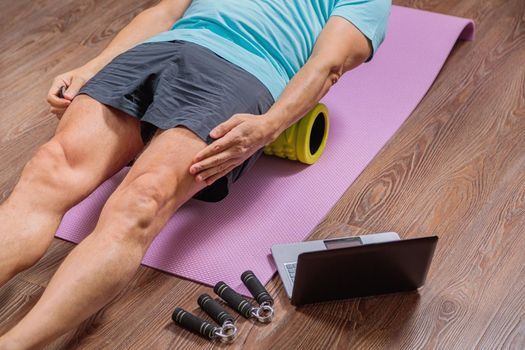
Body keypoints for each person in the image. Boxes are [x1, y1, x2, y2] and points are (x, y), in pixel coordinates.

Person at [0, 0, 391, 347]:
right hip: (159, 50)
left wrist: (268, 126)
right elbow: (165, 11)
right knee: (49, 167)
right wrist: (90, 68)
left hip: (242, 72)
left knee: (142, 201)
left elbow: (329, 64)